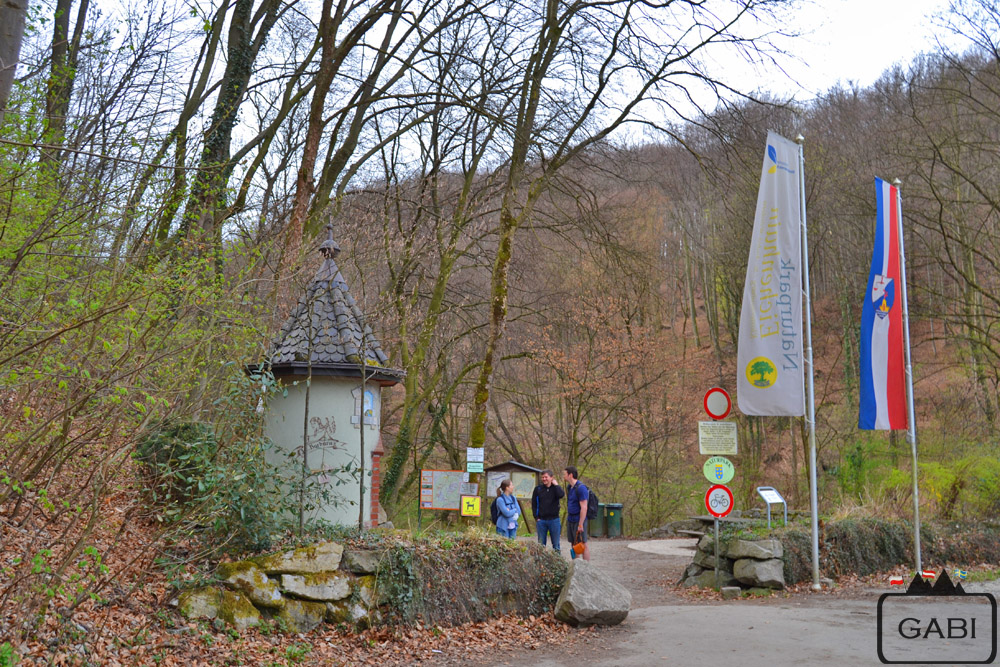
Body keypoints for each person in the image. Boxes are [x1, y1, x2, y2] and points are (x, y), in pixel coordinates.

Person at [531, 469, 564, 552]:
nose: (544, 479)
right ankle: (541, 563)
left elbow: (561, 495)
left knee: (556, 545)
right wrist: (536, 516)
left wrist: (556, 485)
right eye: (543, 477)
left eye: (546, 477)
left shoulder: (555, 489)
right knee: (541, 545)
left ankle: (558, 563)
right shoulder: (538, 489)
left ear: (551, 478)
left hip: (554, 520)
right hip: (541, 520)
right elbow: (534, 504)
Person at [563, 466, 590, 561]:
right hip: (570, 519)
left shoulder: (581, 488)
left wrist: (581, 524)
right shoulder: (570, 487)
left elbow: (584, 507)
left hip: (579, 519)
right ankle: (575, 565)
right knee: (573, 543)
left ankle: (586, 567)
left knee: (583, 544)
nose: (563, 476)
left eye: (565, 474)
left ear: (570, 475)